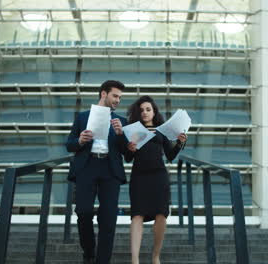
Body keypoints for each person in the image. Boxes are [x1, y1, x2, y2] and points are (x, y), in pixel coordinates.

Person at [65, 80, 128, 264]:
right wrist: (80, 141)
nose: (118, 100)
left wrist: (120, 134)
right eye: (115, 96)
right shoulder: (83, 117)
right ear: (103, 94)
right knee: (83, 211)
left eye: (120, 97)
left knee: (108, 218)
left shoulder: (122, 122)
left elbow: (128, 152)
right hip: (87, 167)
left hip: (110, 170)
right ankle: (89, 250)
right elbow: (69, 144)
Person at [125, 96, 187, 264]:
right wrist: (130, 148)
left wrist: (180, 143)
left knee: (161, 215)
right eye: (142, 110)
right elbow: (128, 158)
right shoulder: (133, 130)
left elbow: (170, 155)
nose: (144, 113)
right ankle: (135, 259)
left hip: (159, 177)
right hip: (139, 177)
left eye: (148, 109)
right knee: (137, 215)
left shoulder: (161, 131)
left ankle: (155, 256)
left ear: (154, 112)